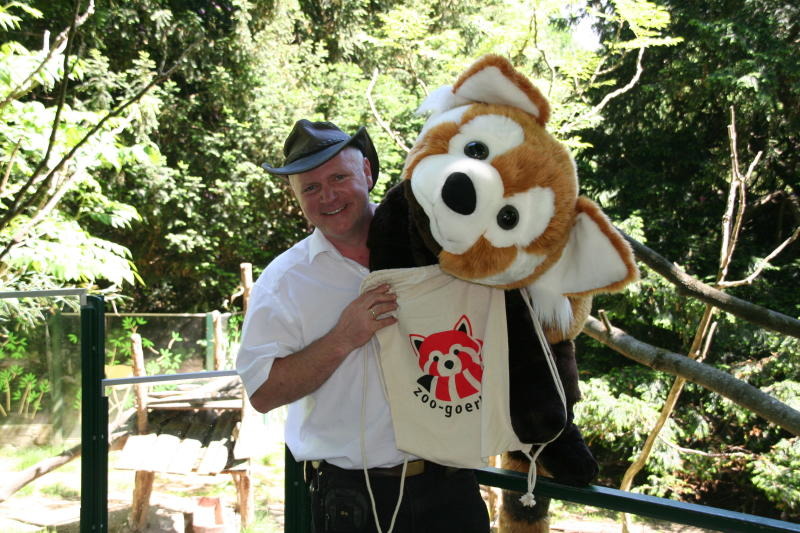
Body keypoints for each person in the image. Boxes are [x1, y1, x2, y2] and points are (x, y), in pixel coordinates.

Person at [236, 119, 490, 533]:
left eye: (339, 177)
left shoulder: (439, 247)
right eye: (311, 187)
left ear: (368, 173)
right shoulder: (283, 281)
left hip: (452, 486)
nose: (328, 195)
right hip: (352, 500)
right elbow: (263, 393)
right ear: (297, 197)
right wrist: (342, 337)